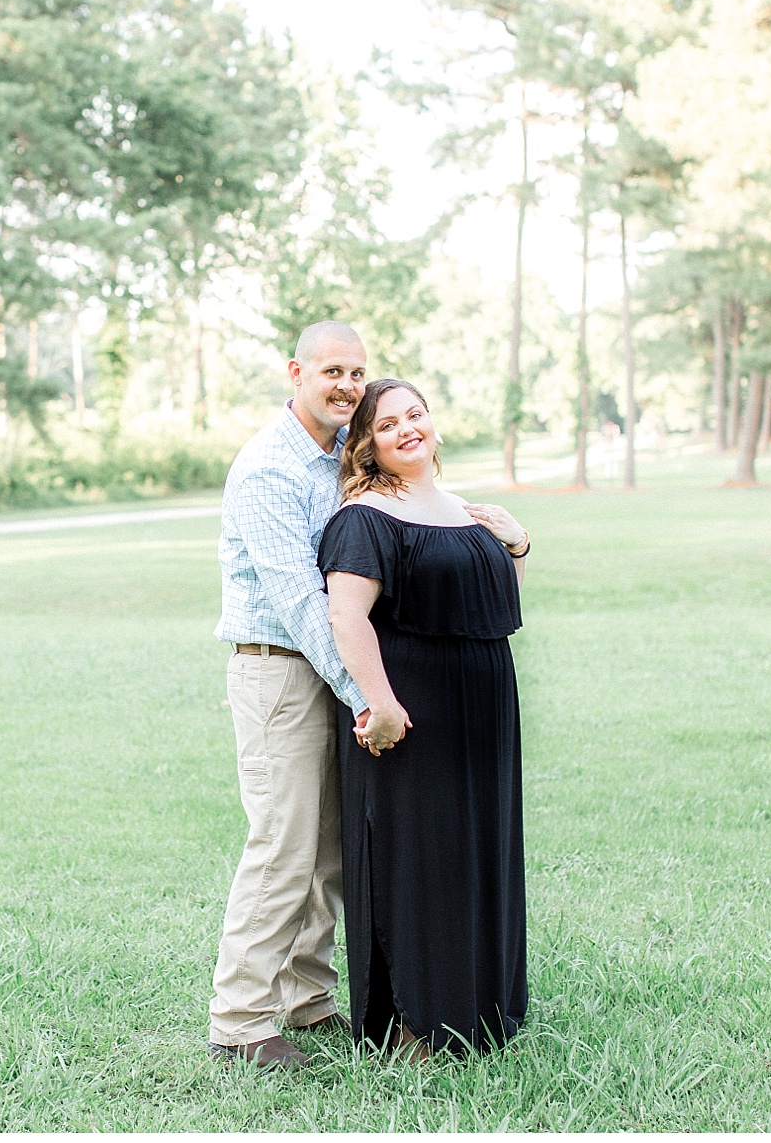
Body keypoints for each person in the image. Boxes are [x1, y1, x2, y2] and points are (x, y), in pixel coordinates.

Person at [319, 378, 532, 1060]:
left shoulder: (463, 509)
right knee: (419, 859)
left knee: (478, 850)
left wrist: (517, 544)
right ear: (368, 445)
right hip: (411, 713)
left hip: (484, 710)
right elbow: (347, 615)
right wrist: (380, 701)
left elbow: (493, 604)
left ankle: (482, 1008)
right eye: (387, 424)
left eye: (416, 414)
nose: (408, 428)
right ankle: (416, 1023)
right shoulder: (364, 516)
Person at [207, 321, 373, 1071]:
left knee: (328, 847)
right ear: (296, 371)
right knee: (281, 845)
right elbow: (303, 601)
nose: (347, 385)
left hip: (326, 666)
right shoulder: (270, 468)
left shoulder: (341, 455)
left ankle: (309, 997)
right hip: (278, 669)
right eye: (333, 370)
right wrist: (364, 693)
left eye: (358, 373)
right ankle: (241, 1020)